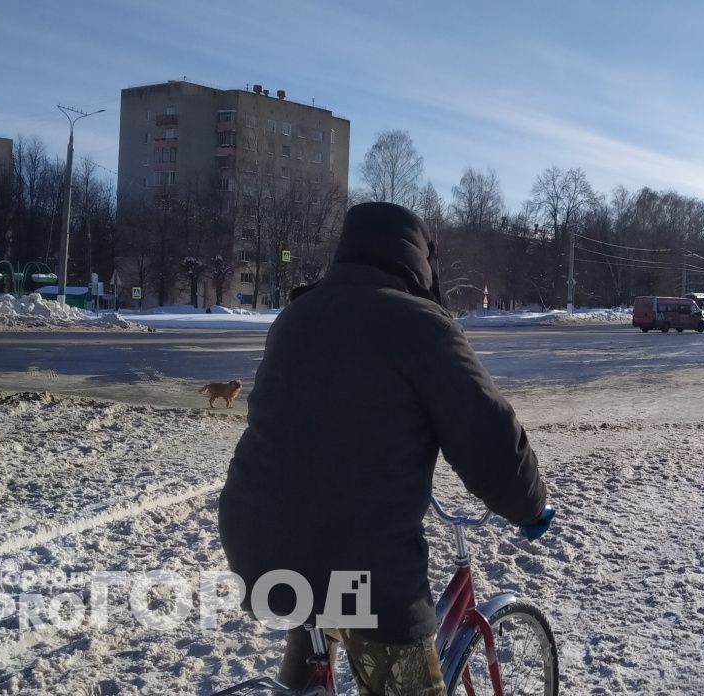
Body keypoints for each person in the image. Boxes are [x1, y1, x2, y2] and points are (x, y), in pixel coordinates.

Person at [218, 202, 553, 694]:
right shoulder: (422, 324)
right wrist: (530, 504)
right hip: (366, 566)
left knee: (314, 612)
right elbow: (489, 436)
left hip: (254, 541)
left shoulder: (295, 315)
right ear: (419, 260)